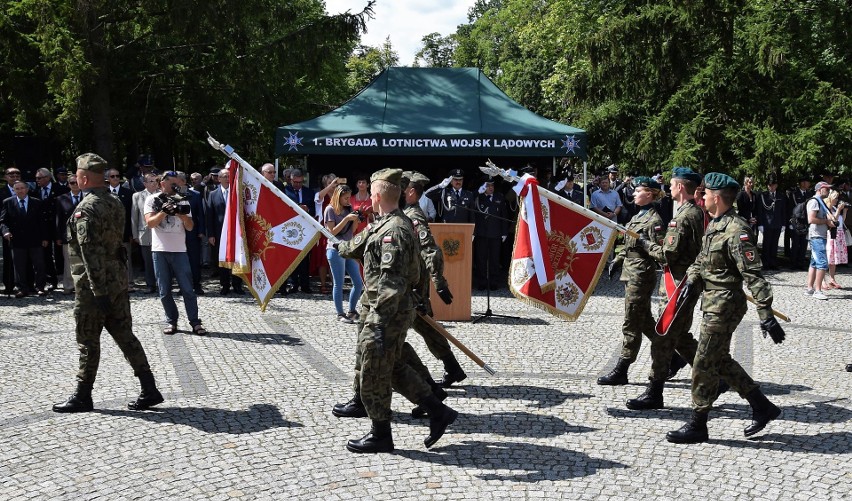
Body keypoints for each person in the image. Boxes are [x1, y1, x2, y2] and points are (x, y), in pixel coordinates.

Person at [334, 168, 457, 454]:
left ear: (375, 195)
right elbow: (358, 248)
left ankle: (382, 434)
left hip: (387, 313)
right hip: (382, 311)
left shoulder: (395, 231)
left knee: (374, 371)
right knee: (391, 368)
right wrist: (339, 245)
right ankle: (437, 409)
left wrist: (377, 324)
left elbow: (392, 282)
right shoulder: (384, 224)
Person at [666, 172, 784, 444]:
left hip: (725, 306)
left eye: (705, 193)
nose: (702, 197)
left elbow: (754, 275)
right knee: (718, 359)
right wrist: (690, 281)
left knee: (703, 363)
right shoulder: (715, 224)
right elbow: (701, 260)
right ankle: (762, 406)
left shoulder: (737, 231)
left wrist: (766, 315)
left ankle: (698, 423)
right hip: (712, 301)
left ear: (716, 198)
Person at [52, 153, 164, 414]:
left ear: (82, 177)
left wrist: (97, 290)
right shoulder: (114, 202)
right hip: (117, 281)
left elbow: (90, 255)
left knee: (88, 341)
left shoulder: (86, 209)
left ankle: (82, 395)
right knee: (125, 335)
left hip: (95, 288)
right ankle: (149, 388)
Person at [625, 167, 708, 408]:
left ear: (680, 187)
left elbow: (668, 254)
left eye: (671, 185)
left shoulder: (681, 217)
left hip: (678, 284)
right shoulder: (697, 212)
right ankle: (719, 376)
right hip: (687, 283)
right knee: (680, 336)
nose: (668, 189)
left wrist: (645, 243)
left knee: (662, 337)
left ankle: (654, 392)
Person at [597, 177, 666, 386]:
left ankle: (622, 368)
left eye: (638, 191)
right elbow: (629, 245)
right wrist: (618, 260)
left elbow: (661, 253)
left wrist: (643, 243)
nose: (634, 194)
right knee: (645, 322)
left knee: (631, 321)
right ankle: (676, 355)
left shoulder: (654, 221)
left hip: (641, 276)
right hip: (631, 273)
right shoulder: (637, 217)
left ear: (650, 194)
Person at [144, 171, 207, 335]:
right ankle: (171, 321)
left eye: (177, 183)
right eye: (172, 183)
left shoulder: (183, 200)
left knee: (188, 289)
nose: (175, 186)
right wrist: (164, 211)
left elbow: (190, 226)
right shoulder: (152, 200)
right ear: (162, 183)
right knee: (164, 290)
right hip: (159, 250)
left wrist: (180, 214)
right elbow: (150, 223)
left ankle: (195, 322)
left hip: (180, 250)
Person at [1, 180, 49, 297]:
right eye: (17, 189)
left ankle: (40, 287)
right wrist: (5, 232)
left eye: (22, 188)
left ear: (27, 189)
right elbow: (3, 221)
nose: (20, 191)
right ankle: (22, 288)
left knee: (39, 265)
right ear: (14, 190)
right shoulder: (8, 202)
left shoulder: (37, 202)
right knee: (19, 266)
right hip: (17, 239)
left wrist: (45, 238)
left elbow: (42, 222)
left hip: (35, 239)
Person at [323, 184, 364, 323]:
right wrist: (346, 219)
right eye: (346, 198)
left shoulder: (349, 209)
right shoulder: (330, 210)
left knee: (358, 283)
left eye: (349, 198)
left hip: (348, 248)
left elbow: (352, 231)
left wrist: (356, 220)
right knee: (338, 283)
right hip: (335, 249)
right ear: (338, 197)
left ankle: (352, 311)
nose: (348, 201)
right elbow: (331, 232)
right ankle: (340, 314)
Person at [206, 168, 244, 295]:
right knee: (221, 259)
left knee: (236, 258)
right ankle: (225, 285)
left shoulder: (237, 193)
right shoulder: (212, 194)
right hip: (219, 233)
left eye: (229, 176)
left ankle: (237, 285)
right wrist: (210, 234)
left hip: (236, 232)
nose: (227, 178)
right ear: (219, 179)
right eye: (224, 176)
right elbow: (209, 216)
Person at [34, 167, 69, 289]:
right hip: (44, 227)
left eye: (40, 178)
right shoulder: (35, 191)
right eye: (36, 178)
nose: (37, 180)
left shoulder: (61, 189)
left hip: (58, 225)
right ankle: (51, 280)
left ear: (48, 178)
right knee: (46, 254)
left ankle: (67, 279)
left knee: (62, 253)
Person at [283, 169, 316, 293]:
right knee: (292, 257)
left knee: (304, 258)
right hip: (290, 228)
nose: (297, 184)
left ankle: (305, 284)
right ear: (290, 180)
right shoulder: (285, 191)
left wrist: (307, 209)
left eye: (300, 182)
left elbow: (315, 210)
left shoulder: (309, 192)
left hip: (305, 229)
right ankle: (293, 283)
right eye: (295, 182)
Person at [473, 178, 508, 290]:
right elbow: (470, 202)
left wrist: (504, 232)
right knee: (481, 260)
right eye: (488, 186)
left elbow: (504, 216)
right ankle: (482, 282)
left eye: (492, 185)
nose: (490, 188)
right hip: (481, 234)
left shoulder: (499, 197)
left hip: (495, 234)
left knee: (494, 260)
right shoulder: (478, 197)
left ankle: (494, 282)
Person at [804, 181, 835, 300]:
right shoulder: (814, 201)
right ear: (819, 189)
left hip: (819, 235)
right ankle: (818, 290)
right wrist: (826, 222)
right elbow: (811, 219)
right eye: (826, 189)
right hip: (816, 236)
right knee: (822, 263)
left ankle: (810, 288)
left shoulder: (821, 202)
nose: (828, 191)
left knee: (814, 262)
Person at [55, 173, 84, 294]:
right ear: (68, 185)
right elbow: (58, 219)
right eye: (72, 183)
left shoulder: (88, 197)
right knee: (68, 261)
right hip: (68, 235)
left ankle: (83, 286)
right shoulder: (61, 199)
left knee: (84, 260)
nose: (75, 185)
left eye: (77, 182)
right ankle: (68, 285)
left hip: (84, 234)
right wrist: (58, 236)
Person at [131, 173, 160, 294]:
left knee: (160, 260)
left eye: (155, 181)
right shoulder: (138, 196)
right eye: (151, 181)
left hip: (160, 233)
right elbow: (134, 216)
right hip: (145, 234)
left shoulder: (162, 195)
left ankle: (162, 283)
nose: (154, 183)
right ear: (145, 183)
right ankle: (150, 284)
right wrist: (135, 234)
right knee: (148, 261)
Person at [106, 168, 134, 290]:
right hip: (107, 233)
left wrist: (131, 233)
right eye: (113, 176)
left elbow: (131, 215)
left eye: (118, 175)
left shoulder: (128, 193)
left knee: (126, 258)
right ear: (107, 179)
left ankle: (129, 282)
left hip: (124, 232)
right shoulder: (104, 193)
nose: (116, 178)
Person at [2, 167, 26, 294]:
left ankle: (26, 285)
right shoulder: (1, 193)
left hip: (26, 230)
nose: (15, 176)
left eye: (17, 174)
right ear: (5, 177)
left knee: (26, 258)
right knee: (8, 259)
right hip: (8, 231)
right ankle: (9, 285)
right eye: (11, 174)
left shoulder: (28, 190)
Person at [756, 174, 787, 270]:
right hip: (767, 224)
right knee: (766, 244)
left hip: (777, 223)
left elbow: (783, 211)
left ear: (776, 185)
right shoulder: (763, 196)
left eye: (773, 185)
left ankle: (773, 263)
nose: (771, 187)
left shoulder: (781, 196)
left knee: (775, 244)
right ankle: (765, 263)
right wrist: (760, 224)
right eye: (769, 185)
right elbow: (760, 210)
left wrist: (783, 224)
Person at [786, 176, 813, 269]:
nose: (808, 184)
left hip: (806, 222)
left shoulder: (810, 194)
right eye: (807, 182)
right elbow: (790, 208)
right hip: (796, 222)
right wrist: (790, 222)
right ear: (802, 183)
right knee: (795, 243)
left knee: (803, 244)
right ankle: (793, 263)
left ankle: (801, 262)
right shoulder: (794, 194)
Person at [824, 189, 848, 289]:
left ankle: (832, 279)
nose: (836, 199)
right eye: (835, 197)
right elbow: (833, 221)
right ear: (830, 197)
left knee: (833, 259)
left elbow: (841, 221)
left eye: (837, 197)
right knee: (826, 258)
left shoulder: (834, 207)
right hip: (830, 235)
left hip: (838, 235)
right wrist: (838, 210)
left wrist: (844, 211)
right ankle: (822, 280)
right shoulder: (827, 207)